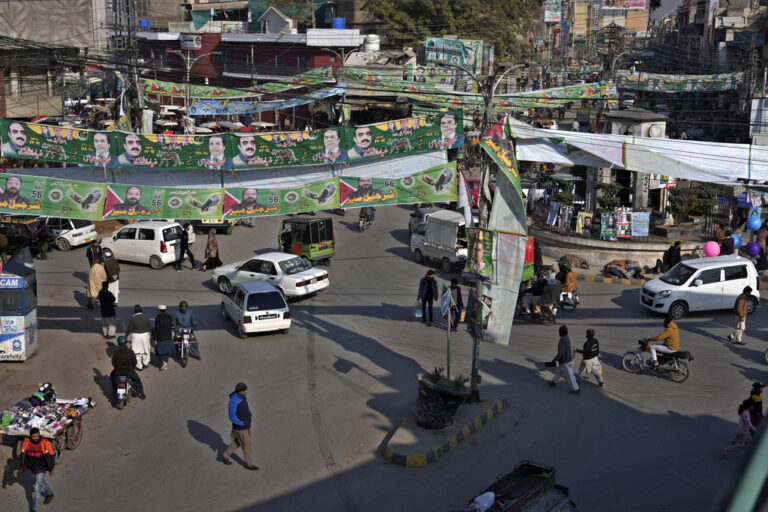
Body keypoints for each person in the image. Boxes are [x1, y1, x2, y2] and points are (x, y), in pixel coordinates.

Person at [218, 382, 258, 470]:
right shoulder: (233, 401)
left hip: (246, 425)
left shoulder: (242, 397)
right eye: (244, 390)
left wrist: (249, 415)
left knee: (237, 442)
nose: (246, 392)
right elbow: (232, 416)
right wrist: (241, 423)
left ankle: (225, 456)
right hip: (241, 428)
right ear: (239, 391)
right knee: (247, 446)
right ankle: (249, 464)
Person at [13, 427, 55, 510]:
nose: (36, 438)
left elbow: (51, 455)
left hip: (42, 468)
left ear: (39, 435)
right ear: (30, 436)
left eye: (37, 436)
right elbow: (22, 456)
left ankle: (33, 508)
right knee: (41, 481)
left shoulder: (45, 443)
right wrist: (17, 468)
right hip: (33, 467)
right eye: (34, 436)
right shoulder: (26, 443)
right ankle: (49, 493)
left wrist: (51, 468)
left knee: (37, 488)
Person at [549, 325, 579, 394]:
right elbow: (574, 348)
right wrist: (573, 357)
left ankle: (576, 389)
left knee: (570, 376)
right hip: (570, 359)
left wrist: (555, 359)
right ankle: (554, 382)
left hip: (565, 361)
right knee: (559, 371)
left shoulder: (562, 340)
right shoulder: (570, 338)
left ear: (561, 332)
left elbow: (561, 352)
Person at [126, 304, 152, 370]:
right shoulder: (146, 317)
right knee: (146, 350)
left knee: (136, 352)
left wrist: (126, 336)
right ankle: (145, 363)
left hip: (136, 336)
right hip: (145, 336)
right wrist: (154, 336)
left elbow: (129, 329)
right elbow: (151, 328)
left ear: (134, 311)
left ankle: (139, 366)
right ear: (141, 311)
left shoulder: (133, 319)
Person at [153, 304, 174, 371]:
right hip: (168, 337)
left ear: (159, 310)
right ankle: (165, 362)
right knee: (167, 351)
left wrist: (155, 338)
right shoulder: (169, 317)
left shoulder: (158, 317)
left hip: (161, 337)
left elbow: (157, 329)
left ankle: (164, 362)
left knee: (159, 351)